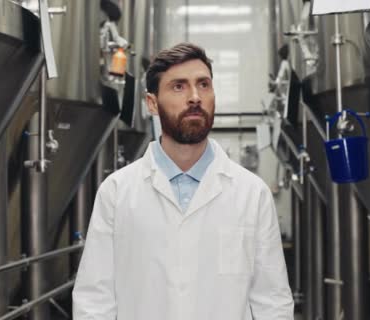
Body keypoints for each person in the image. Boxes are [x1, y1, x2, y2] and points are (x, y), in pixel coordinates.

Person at [72, 42, 294, 320]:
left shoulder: (252, 193)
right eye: (178, 86)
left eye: (204, 85)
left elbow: (272, 302)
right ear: (152, 103)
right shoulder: (117, 193)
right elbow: (94, 301)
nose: (195, 97)